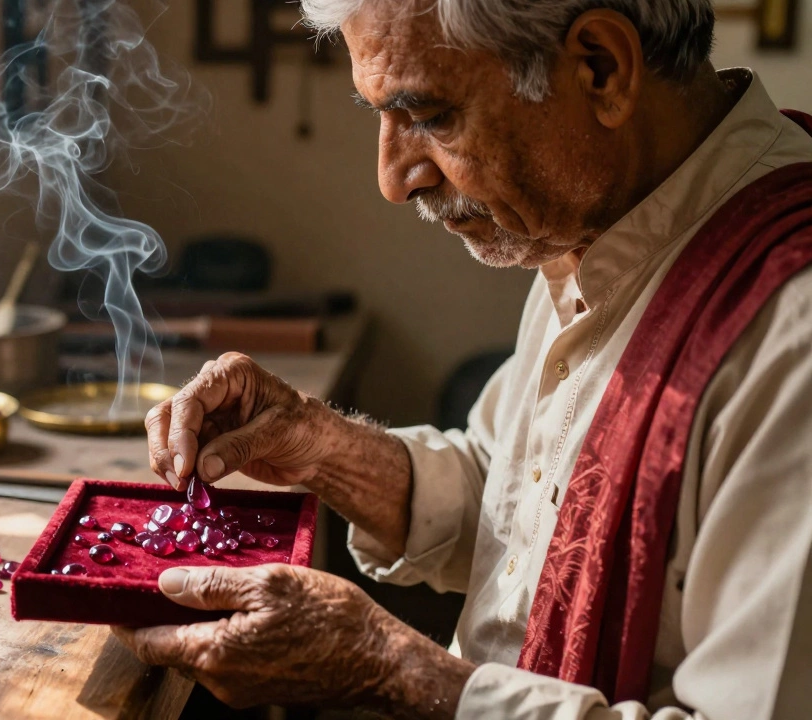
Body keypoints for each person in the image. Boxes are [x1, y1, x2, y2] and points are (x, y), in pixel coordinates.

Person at [111, 1, 812, 718]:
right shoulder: (602, 227)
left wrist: (387, 667)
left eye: (431, 115)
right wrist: (321, 446)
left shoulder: (793, 339)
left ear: (601, 67)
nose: (393, 178)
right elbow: (529, 502)